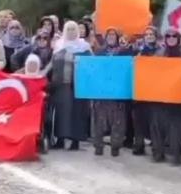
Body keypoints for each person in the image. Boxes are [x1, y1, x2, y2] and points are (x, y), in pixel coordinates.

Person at [149, 28, 181, 164]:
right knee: (157, 127)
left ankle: (175, 155)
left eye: (174, 36)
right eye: (168, 36)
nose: (171, 38)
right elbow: (151, 73)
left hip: (178, 98)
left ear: (179, 38)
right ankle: (158, 153)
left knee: (176, 128)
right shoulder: (159, 54)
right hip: (160, 97)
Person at [49, 21, 92, 151]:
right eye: (69, 29)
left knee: (77, 113)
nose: (71, 32)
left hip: (77, 86)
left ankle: (75, 141)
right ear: (64, 30)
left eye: (74, 29)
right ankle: (60, 139)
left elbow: (91, 65)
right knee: (61, 113)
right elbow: (51, 64)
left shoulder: (84, 46)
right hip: (61, 85)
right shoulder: (58, 45)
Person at [91, 28, 132, 157]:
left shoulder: (124, 52)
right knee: (98, 120)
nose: (111, 37)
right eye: (109, 35)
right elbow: (93, 69)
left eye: (114, 35)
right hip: (102, 92)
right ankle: (98, 146)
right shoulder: (99, 52)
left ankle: (116, 146)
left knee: (118, 122)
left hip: (118, 93)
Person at [131, 26, 160, 155]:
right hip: (140, 89)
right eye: (147, 34)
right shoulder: (138, 51)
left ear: (156, 35)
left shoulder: (161, 51)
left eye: (151, 34)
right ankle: (139, 144)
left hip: (154, 91)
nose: (149, 36)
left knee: (154, 121)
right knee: (138, 120)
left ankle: (156, 148)